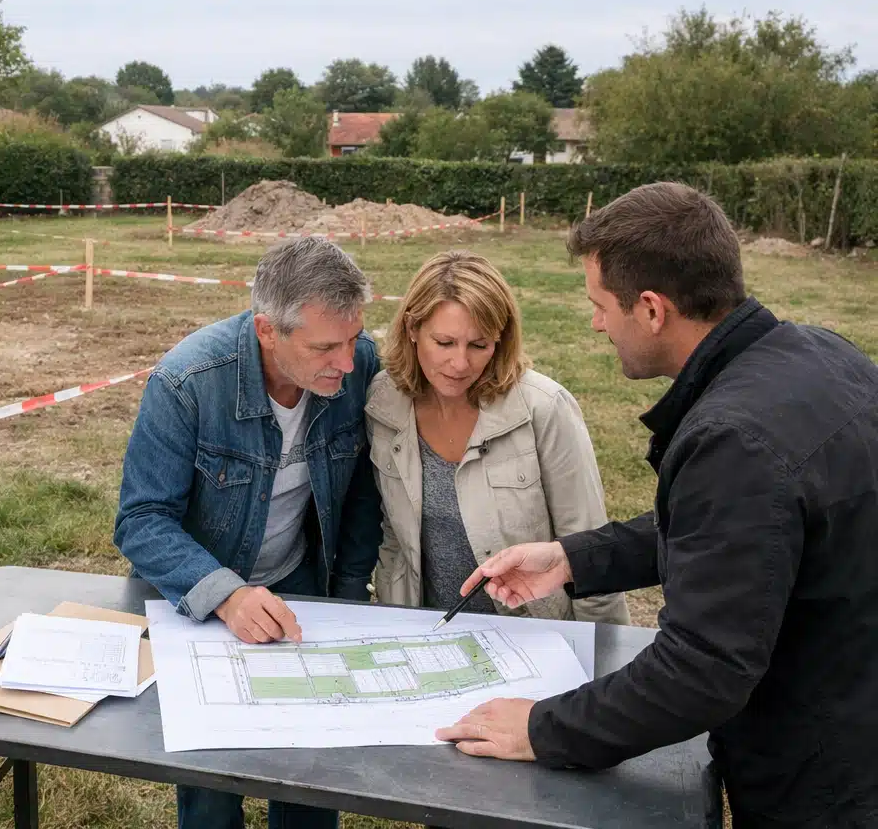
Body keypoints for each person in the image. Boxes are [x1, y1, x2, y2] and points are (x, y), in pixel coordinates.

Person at [435, 183, 878, 828]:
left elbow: (702, 669)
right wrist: (572, 557)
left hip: (829, 776)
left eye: (600, 306)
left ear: (650, 309)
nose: (595, 324)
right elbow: (740, 531)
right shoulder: (817, 354)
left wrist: (543, 728)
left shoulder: (735, 437)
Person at [115, 237, 382, 829]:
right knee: (214, 777)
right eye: (324, 348)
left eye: (354, 338)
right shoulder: (187, 381)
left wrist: (349, 592)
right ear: (267, 330)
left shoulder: (359, 363)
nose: (347, 361)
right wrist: (227, 596)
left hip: (301, 579)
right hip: (198, 598)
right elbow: (141, 520)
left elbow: (363, 490)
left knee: (312, 766)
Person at [367, 250, 628, 625]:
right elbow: (392, 539)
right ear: (411, 329)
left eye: (479, 345)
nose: (460, 364)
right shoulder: (383, 402)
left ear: (501, 340)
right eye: (444, 343)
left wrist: (599, 655)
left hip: (533, 638)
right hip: (424, 632)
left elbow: (589, 548)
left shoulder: (545, 409)